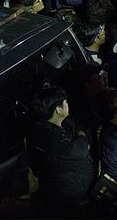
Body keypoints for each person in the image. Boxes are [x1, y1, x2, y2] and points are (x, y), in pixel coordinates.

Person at [28, 86, 94, 215]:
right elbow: (81, 149)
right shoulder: (49, 136)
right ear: (58, 109)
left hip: (76, 186)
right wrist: (81, 135)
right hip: (73, 195)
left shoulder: (54, 126)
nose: (68, 104)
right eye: (65, 102)